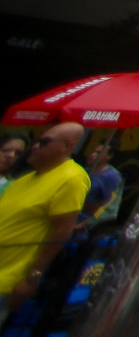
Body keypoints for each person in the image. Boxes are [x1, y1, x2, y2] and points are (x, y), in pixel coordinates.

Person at [0, 124, 88, 327]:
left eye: (44, 142)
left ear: (66, 146)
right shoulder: (26, 179)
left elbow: (62, 231)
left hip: (6, 279)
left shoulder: (72, 177)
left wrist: (32, 277)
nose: (34, 147)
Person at [80, 138, 123, 227]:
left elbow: (109, 208)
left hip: (84, 223)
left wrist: (85, 224)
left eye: (98, 153)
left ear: (109, 156)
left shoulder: (112, 177)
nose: (92, 155)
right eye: (93, 151)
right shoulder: (85, 171)